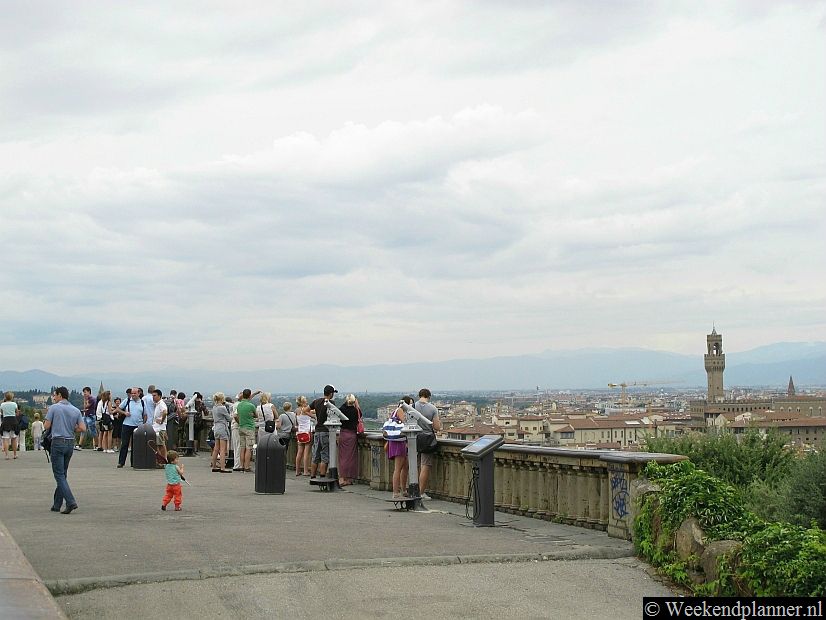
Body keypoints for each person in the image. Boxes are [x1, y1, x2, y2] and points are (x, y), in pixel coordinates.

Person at [45, 387, 85, 514]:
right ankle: (57, 504)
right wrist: (72, 428)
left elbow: (46, 425)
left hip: (57, 442)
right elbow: (83, 428)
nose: (54, 397)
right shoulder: (75, 410)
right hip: (70, 443)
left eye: (55, 395)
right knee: (63, 473)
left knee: (59, 475)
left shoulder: (54, 408)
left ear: (60, 395)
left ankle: (70, 501)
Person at [414, 388, 442, 501]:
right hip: (427, 439)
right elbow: (436, 427)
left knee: (412, 465)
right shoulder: (433, 408)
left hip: (414, 437)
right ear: (429, 397)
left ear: (419, 396)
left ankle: (411, 490)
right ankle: (421, 492)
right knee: (425, 465)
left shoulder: (412, 407)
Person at [309, 384, 337, 479]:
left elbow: (305, 410)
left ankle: (312, 476)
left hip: (317, 431)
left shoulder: (316, 401)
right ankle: (322, 477)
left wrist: (314, 416)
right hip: (326, 431)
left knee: (315, 455)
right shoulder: (331, 403)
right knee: (325, 456)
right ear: (331, 394)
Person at [384, 397, 410, 500]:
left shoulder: (395, 411)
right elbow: (405, 424)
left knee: (405, 467)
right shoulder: (400, 410)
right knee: (398, 468)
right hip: (398, 442)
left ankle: (403, 490)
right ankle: (395, 492)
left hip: (397, 441)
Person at [116, 387, 146, 468]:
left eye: (134, 393)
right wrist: (124, 413)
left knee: (135, 445)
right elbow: (118, 409)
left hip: (137, 426)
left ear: (138, 393)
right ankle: (121, 462)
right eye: (132, 393)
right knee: (124, 444)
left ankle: (134, 462)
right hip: (127, 425)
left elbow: (145, 414)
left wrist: (143, 423)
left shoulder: (142, 402)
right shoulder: (127, 400)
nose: (133, 395)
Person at [338, 394, 360, 486]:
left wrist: (347, 401)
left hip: (343, 434)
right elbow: (360, 416)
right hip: (352, 435)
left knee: (343, 457)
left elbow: (339, 411)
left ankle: (342, 478)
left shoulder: (342, 409)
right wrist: (357, 404)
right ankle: (350, 478)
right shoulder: (355, 410)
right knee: (351, 458)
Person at [234, 389, 257, 472]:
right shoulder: (251, 406)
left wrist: (240, 422)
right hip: (249, 428)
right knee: (248, 448)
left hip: (241, 427)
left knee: (242, 447)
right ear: (249, 395)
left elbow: (235, 416)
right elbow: (256, 415)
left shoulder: (239, 405)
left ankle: (241, 465)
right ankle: (247, 466)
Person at [210, 392, 232, 473]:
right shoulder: (222, 408)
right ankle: (223, 467)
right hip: (222, 427)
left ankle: (214, 466)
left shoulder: (214, 407)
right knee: (222, 449)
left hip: (216, 427)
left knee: (216, 448)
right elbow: (229, 418)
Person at [294, 396, 312, 476]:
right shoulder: (306, 410)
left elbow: (296, 423)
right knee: (306, 453)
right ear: (303, 402)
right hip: (307, 432)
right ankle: (305, 471)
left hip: (300, 432)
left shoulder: (296, 411)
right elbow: (314, 415)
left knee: (299, 452)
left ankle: (297, 471)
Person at [77, 387, 97, 451]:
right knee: (83, 429)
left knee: (92, 431)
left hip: (90, 416)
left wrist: (85, 400)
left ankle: (96, 445)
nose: (84, 394)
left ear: (89, 392)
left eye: (85, 392)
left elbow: (86, 406)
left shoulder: (91, 399)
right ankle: (80, 445)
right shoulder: (88, 399)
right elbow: (85, 407)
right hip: (86, 415)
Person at [151, 389, 168, 464]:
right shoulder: (158, 404)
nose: (153, 397)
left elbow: (165, 412)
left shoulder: (161, 404)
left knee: (161, 445)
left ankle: (163, 460)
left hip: (159, 428)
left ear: (159, 396)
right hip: (157, 428)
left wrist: (161, 421)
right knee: (159, 444)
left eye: (155, 396)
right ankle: (160, 460)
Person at [1, 391, 19, 460]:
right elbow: (17, 413)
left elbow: (2, 413)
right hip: (13, 421)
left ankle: (6, 455)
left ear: (5, 397)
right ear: (12, 397)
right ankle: (14, 454)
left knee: (6, 439)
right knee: (14, 438)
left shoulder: (2, 404)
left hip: (5, 421)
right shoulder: (14, 404)